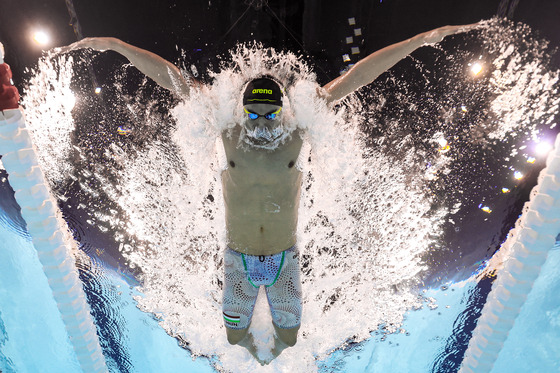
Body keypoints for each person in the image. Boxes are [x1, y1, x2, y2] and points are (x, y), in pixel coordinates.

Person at [61, 23, 476, 364]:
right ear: (242, 111)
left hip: (285, 259)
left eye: (269, 114)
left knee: (290, 341)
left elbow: (358, 77)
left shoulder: (296, 134)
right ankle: (247, 357)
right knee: (234, 335)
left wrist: (417, 40)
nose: (261, 124)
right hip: (237, 259)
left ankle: (271, 355)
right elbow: (171, 78)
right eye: (253, 114)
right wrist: (116, 44)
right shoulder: (229, 131)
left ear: (282, 111)